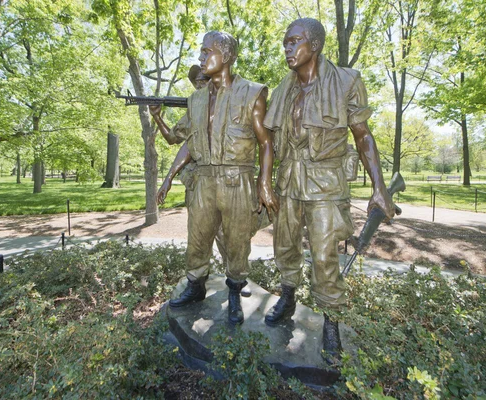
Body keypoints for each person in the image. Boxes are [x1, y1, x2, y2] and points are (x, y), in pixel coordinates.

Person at [263, 18, 394, 362]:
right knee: (285, 243)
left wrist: (379, 188)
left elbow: (362, 135)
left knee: (324, 255)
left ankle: (331, 322)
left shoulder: (346, 80)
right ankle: (288, 294)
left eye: (294, 42)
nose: (287, 49)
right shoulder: (283, 89)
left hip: (326, 183)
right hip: (289, 179)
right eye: (285, 43)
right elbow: (269, 142)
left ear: (315, 45)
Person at [150, 31, 278, 325]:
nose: (201, 57)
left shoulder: (252, 92)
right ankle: (196, 286)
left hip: (238, 178)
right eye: (201, 51)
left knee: (236, 242)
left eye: (207, 51)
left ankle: (234, 292)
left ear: (227, 55)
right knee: (197, 237)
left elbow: (266, 142)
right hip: (204, 180)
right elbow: (187, 143)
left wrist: (264, 182)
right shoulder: (195, 100)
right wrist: (170, 176)